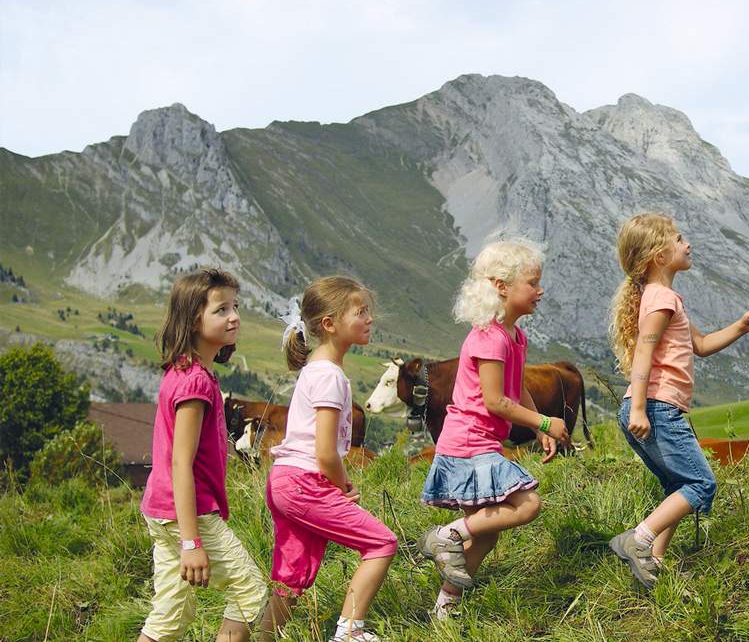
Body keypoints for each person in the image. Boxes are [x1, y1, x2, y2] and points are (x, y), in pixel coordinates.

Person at [607, 213, 749, 588]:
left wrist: (741, 327)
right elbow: (643, 356)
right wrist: (642, 408)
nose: (687, 244)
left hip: (652, 407)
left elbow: (702, 345)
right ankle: (639, 540)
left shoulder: (664, 297)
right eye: (679, 239)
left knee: (678, 488)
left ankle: (654, 565)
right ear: (658, 256)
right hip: (656, 408)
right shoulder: (661, 299)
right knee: (701, 485)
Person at [417, 239, 569, 620]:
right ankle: (445, 536)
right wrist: (546, 421)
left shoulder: (514, 336)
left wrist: (538, 430)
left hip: (478, 442)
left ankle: (445, 608)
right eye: (532, 282)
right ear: (501, 286)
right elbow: (495, 402)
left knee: (485, 533)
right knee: (527, 504)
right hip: (468, 443)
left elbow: (516, 390)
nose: (540, 290)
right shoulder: (488, 337)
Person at [262, 277, 397, 642]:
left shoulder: (315, 370)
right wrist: (341, 485)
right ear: (329, 324)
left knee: (291, 578)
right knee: (381, 543)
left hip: (284, 480)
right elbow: (324, 452)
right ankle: (349, 632)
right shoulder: (330, 376)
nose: (369, 319)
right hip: (307, 482)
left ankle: (264, 637)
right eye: (361, 312)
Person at [138, 268, 267, 642]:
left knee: (169, 618)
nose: (234, 316)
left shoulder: (187, 372)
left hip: (163, 511)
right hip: (187, 514)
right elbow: (181, 461)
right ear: (194, 319)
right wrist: (192, 543)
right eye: (221, 309)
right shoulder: (194, 381)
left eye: (235, 306)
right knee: (249, 593)